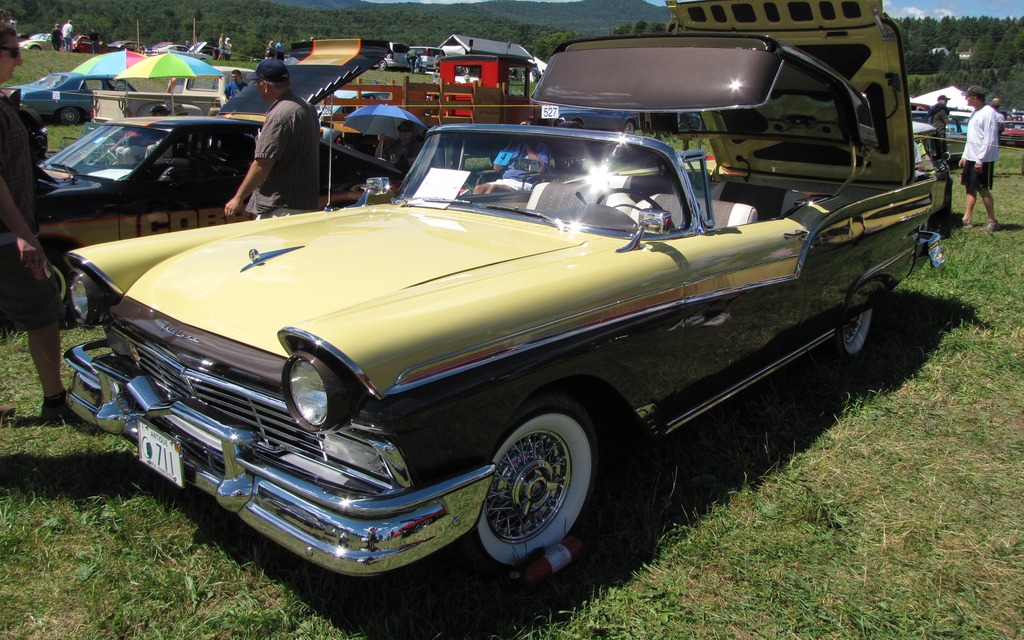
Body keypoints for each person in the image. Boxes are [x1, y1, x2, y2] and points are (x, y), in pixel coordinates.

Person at [0, 22, 75, 423]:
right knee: (44, 313)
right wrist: (24, 234)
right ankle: (55, 402)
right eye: (13, 51)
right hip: (6, 238)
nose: (20, 58)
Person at [224, 58, 319, 219]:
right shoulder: (306, 107)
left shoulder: (279, 115)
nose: (257, 88)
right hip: (302, 201)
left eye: (256, 83)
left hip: (280, 207)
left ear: (265, 85)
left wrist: (238, 198)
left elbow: (264, 162)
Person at [958, 85, 1000, 231]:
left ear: (975, 98)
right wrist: (965, 155)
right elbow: (971, 137)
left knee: (982, 188)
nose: (966, 99)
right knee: (970, 187)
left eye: (967, 96)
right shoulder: (975, 112)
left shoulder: (988, 114)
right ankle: (967, 218)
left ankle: (992, 221)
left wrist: (980, 160)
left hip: (983, 159)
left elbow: (988, 139)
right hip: (971, 157)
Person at [473, 137, 550, 194]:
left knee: (492, 189)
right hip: (507, 181)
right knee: (478, 188)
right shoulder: (514, 146)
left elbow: (541, 168)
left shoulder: (540, 147)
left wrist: (528, 146)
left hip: (524, 183)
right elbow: (497, 167)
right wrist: (507, 148)